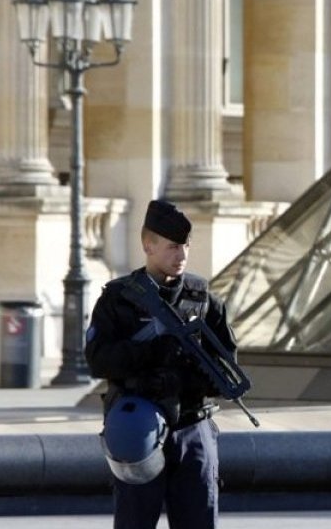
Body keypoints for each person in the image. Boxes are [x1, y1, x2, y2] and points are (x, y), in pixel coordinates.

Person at [86, 199, 239, 529]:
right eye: (172, 247)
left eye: (185, 246)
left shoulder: (205, 301)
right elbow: (98, 361)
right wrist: (154, 353)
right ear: (148, 245)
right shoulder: (118, 299)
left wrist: (195, 373)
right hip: (138, 427)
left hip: (193, 426)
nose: (181, 256)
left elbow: (227, 368)